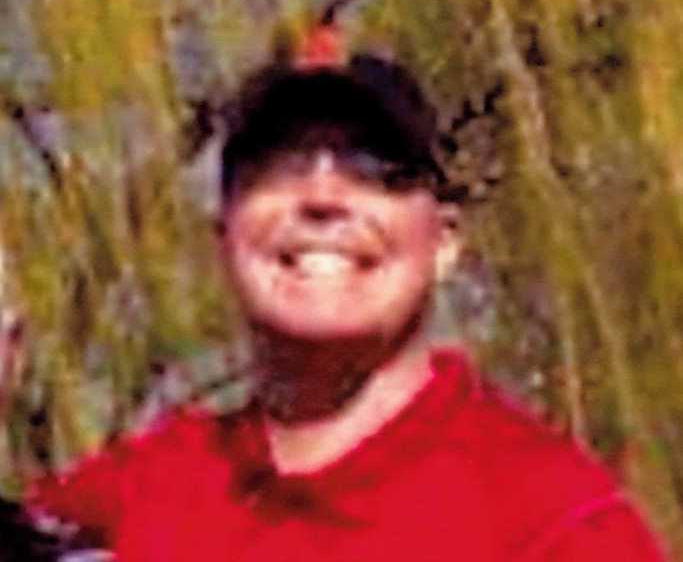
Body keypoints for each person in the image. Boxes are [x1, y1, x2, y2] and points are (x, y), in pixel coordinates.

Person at [25, 36, 668, 561]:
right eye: (278, 165)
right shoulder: (133, 495)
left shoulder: (555, 523)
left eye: (374, 169)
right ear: (223, 238)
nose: (322, 197)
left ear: (445, 241)